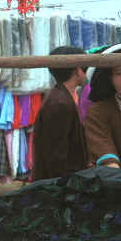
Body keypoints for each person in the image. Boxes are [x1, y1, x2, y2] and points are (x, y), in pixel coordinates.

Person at [32, 46, 89, 180]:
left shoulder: (59, 96)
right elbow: (56, 155)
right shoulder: (59, 103)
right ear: (77, 70)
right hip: (59, 183)